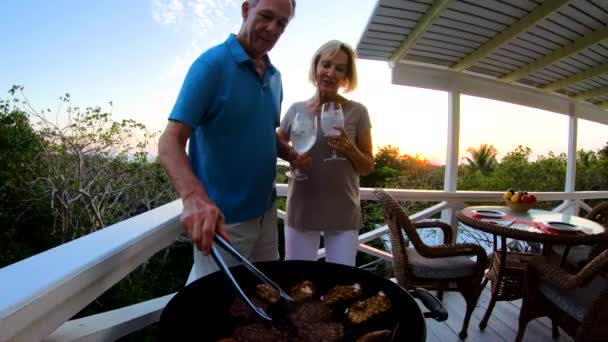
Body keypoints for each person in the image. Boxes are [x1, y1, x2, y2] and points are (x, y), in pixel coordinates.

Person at [158, 0, 308, 281]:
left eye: (281, 24)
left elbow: (266, 134)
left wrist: (291, 155)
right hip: (226, 222)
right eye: (266, 16)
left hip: (267, 212)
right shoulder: (211, 65)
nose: (272, 28)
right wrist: (194, 199)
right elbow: (170, 141)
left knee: (265, 296)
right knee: (212, 309)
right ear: (245, 10)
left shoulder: (276, 77)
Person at [277, 40, 374, 266]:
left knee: (340, 284)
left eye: (339, 68)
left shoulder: (358, 112)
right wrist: (292, 155)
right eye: (326, 64)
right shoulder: (296, 110)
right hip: (302, 209)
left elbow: (367, 166)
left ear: (346, 76)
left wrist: (349, 147)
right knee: (298, 279)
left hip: (343, 213)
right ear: (316, 67)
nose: (331, 73)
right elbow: (279, 140)